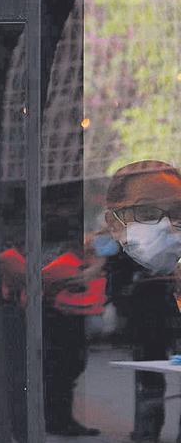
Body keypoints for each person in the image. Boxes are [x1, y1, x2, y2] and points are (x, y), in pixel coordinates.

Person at [99, 160, 181, 442]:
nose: (165, 224)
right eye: (146, 211)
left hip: (163, 316)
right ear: (114, 220)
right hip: (148, 318)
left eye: (177, 211)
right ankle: (146, 431)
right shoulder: (121, 254)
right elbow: (116, 284)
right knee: (148, 378)